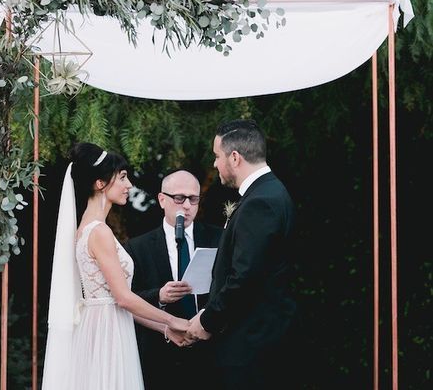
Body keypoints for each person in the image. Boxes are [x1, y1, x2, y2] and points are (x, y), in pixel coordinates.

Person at [41, 143, 189, 390]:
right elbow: (123, 299)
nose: (129, 185)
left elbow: (115, 302)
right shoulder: (99, 232)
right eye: (122, 177)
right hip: (106, 338)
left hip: (103, 327)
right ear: (100, 184)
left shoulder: (85, 230)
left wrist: (163, 328)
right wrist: (176, 321)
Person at [186, 119, 298, 390]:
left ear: (234, 157)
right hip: (258, 339)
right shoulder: (270, 193)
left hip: (252, 344)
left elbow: (244, 278)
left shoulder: (261, 202)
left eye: (217, 156)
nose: (215, 164)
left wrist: (207, 319)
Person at [125, 170, 223, 390]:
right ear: (162, 200)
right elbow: (125, 298)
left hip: (210, 348)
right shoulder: (137, 247)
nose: (187, 206)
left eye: (193, 199)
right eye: (179, 198)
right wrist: (159, 296)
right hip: (160, 354)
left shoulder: (218, 238)